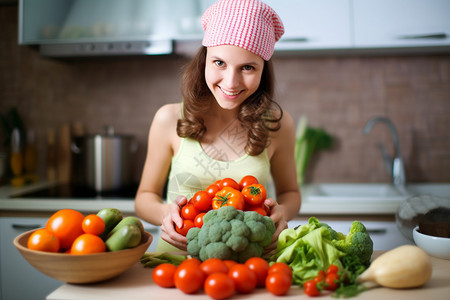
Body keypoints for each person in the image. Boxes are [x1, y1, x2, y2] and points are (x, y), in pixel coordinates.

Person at [135, 0, 301, 253]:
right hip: (176, 268)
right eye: (219, 63)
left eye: (247, 67)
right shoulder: (168, 119)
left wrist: (282, 213)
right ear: (204, 61)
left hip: (250, 268)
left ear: (263, 70)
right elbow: (144, 197)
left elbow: (291, 193)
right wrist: (164, 214)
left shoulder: (279, 124)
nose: (231, 82)